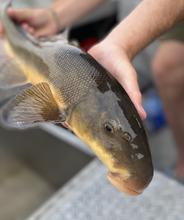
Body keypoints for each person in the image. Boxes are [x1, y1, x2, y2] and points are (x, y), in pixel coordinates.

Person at [1, 0, 184, 178]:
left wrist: (119, 44)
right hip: (34, 50)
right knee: (169, 67)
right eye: (108, 129)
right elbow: (15, 114)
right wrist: (54, 16)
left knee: (170, 64)